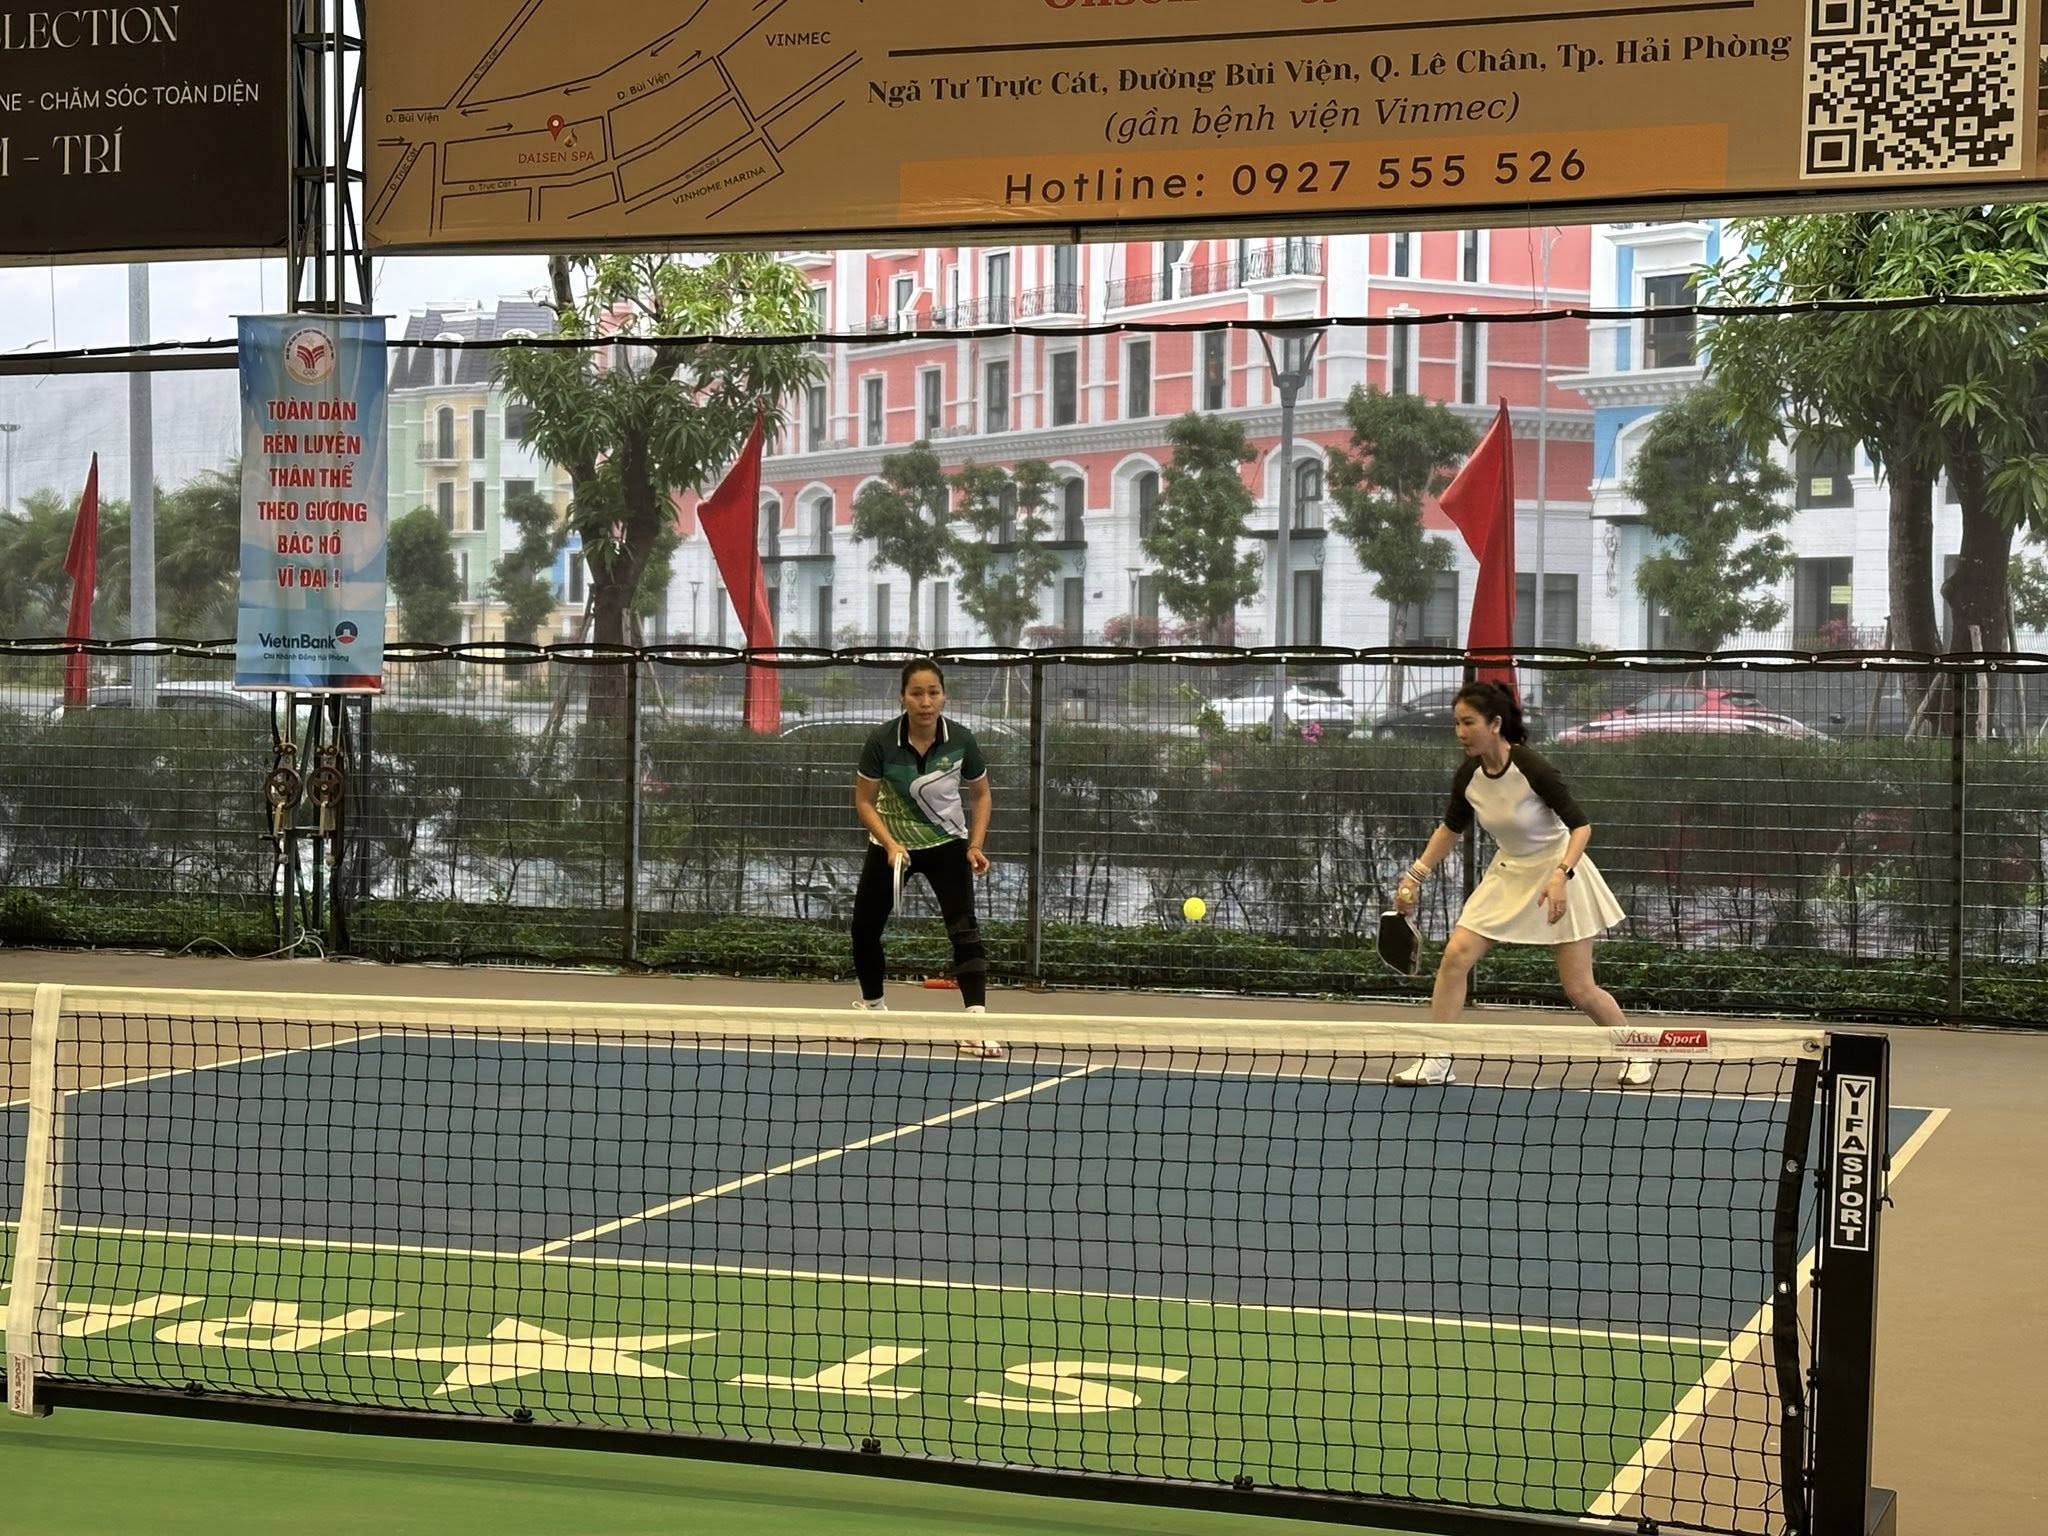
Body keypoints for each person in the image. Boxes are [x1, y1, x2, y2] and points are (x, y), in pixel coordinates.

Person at [1390, 679, 1647, 1087]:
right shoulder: (1469, 775)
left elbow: (1581, 827)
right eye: (1456, 723)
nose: (1460, 732)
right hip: (1509, 871)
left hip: (1560, 870)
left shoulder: (1532, 768)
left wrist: (1561, 875)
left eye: (1468, 723)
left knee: (1580, 989)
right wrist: (1414, 875)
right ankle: (1437, 1058)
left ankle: (1636, 1050)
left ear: (1494, 724)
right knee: (1455, 956)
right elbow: (1451, 828)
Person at [851, 659, 1003, 1057]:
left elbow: (981, 794)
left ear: (943, 696)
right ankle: (874, 1012)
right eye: (917, 693)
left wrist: (975, 845)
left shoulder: (961, 740)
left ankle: (975, 1026)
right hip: (891, 848)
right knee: (864, 929)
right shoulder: (881, 741)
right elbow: (864, 802)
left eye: (933, 693)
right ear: (903, 697)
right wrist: (890, 844)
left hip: (946, 844)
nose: (925, 701)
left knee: (965, 931)